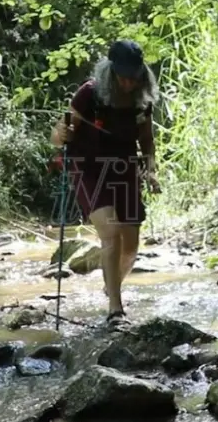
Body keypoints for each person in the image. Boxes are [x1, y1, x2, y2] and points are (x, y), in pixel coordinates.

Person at [50, 39, 160, 332]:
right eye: (122, 75)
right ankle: (116, 310)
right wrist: (63, 135)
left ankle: (111, 288)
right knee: (110, 234)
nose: (127, 82)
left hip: (123, 168)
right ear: (110, 71)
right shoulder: (89, 93)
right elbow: (59, 134)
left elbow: (146, 140)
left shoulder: (142, 99)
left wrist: (150, 170)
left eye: (133, 76)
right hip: (88, 168)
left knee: (131, 245)